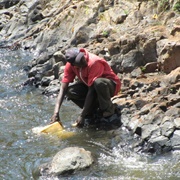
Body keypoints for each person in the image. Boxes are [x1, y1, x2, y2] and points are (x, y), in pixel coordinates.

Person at [51, 48, 121, 127]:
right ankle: (92, 110)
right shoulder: (70, 66)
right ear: (74, 65)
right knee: (70, 91)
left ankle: (108, 109)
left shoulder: (93, 62)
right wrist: (56, 113)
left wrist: (82, 115)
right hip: (92, 87)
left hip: (109, 86)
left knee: (98, 82)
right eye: (79, 62)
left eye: (82, 58)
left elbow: (91, 91)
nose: (83, 61)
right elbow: (63, 89)